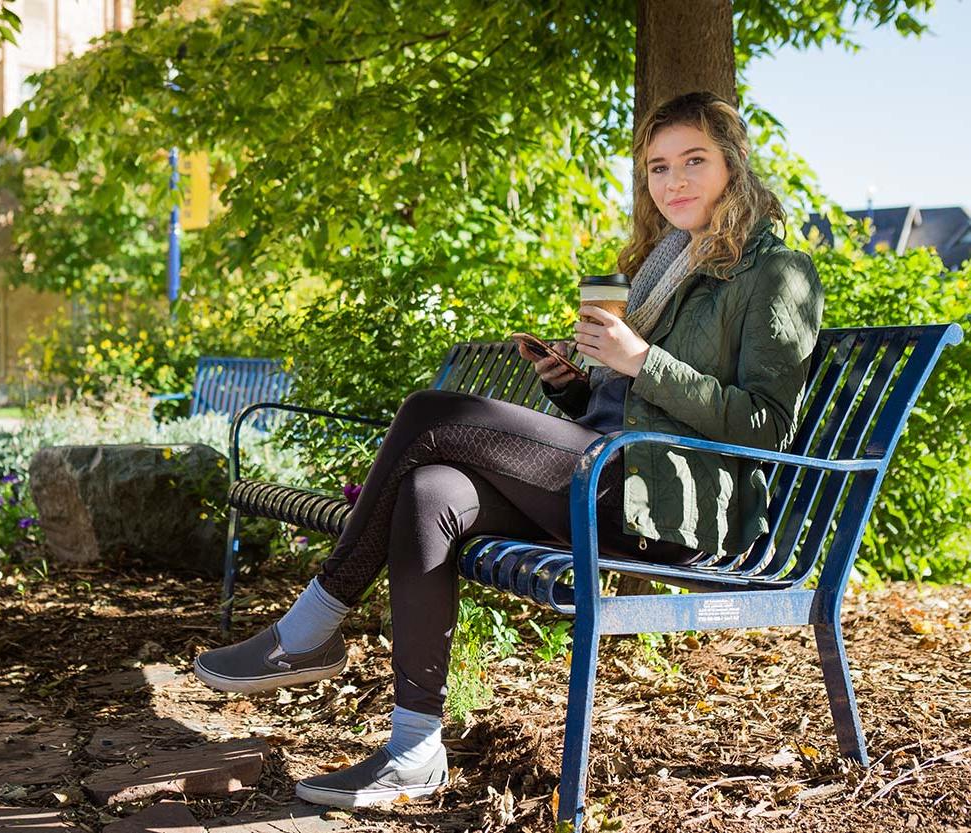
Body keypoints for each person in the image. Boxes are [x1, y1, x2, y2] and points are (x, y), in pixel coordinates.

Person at [193, 91, 824, 808]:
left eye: (693, 161)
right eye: (657, 167)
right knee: (431, 489)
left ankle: (308, 628)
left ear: (734, 166)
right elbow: (623, 408)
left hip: (673, 507)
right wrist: (574, 385)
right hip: (612, 474)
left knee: (435, 413)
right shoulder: (660, 265)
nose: (673, 181)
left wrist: (643, 358)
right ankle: (412, 751)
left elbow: (769, 428)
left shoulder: (776, 272)